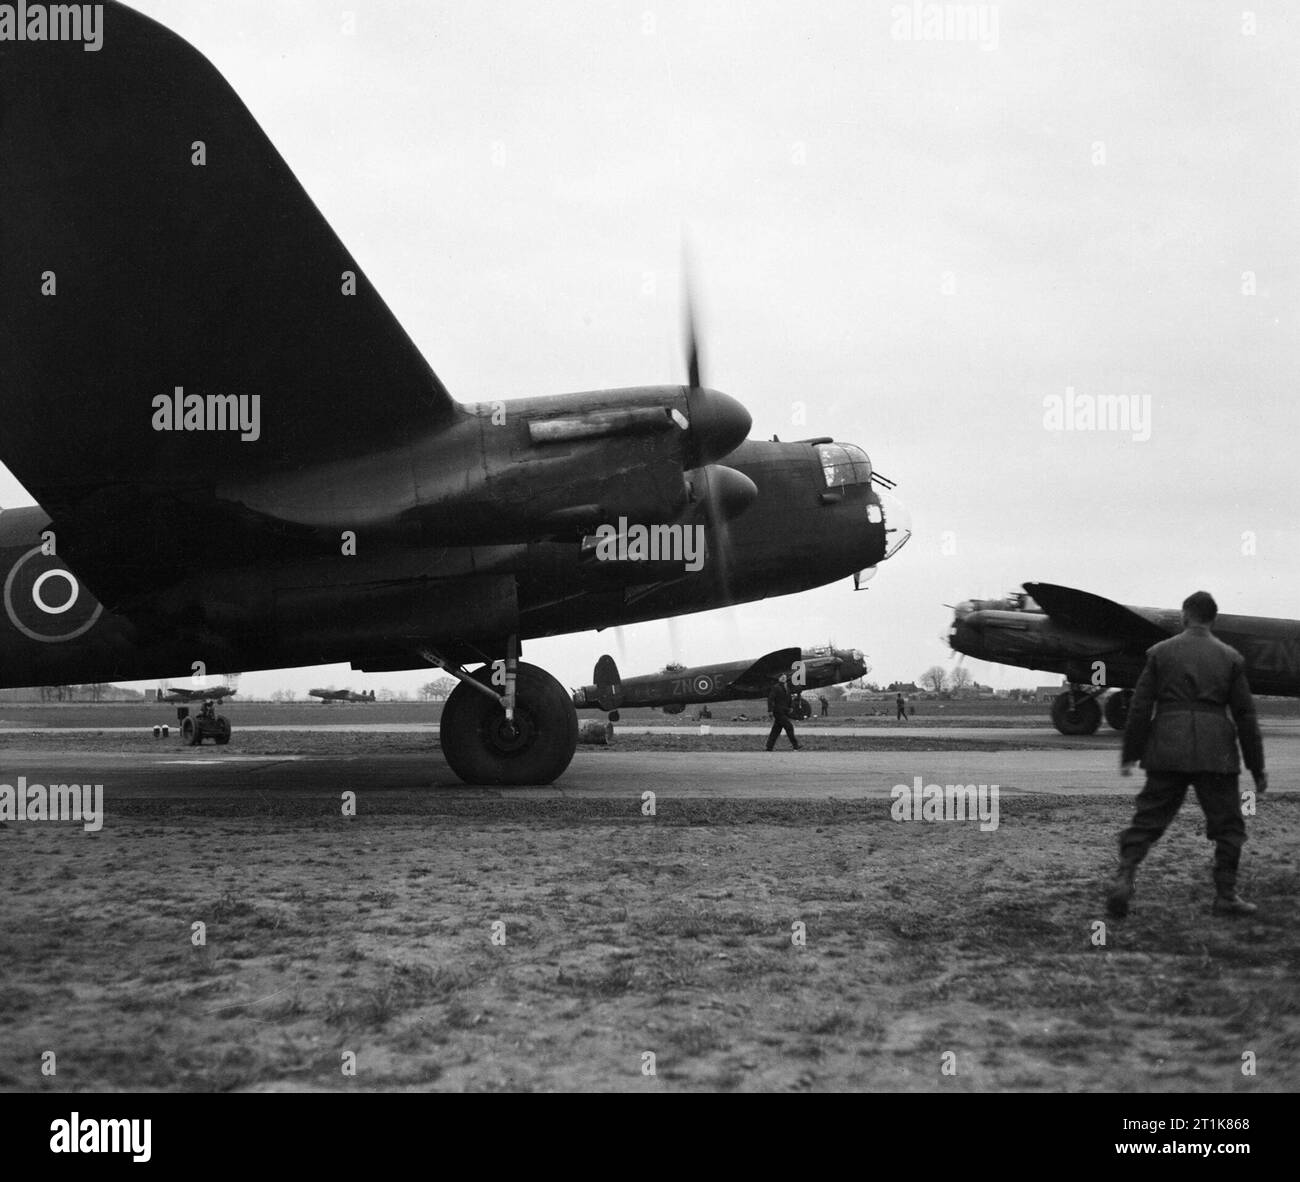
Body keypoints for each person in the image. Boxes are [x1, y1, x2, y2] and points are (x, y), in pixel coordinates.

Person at [1109, 591, 1267, 919]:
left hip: (1167, 746)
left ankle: (1124, 877)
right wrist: (1257, 767)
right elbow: (1245, 715)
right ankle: (1225, 896)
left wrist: (1131, 753)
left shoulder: (1159, 653)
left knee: (1149, 818)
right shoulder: (1230, 657)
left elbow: (1139, 706)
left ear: (1184, 616)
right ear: (1213, 619)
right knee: (1227, 826)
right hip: (1216, 752)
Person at [765, 673, 801, 751]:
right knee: (789, 727)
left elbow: (789, 699)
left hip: (785, 711)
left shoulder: (787, 687)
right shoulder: (776, 687)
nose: (784, 678)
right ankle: (796, 746)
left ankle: (769, 747)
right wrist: (770, 710)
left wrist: (790, 707)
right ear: (779, 679)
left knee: (776, 730)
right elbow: (770, 699)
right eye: (782, 677)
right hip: (778, 712)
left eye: (785, 677)